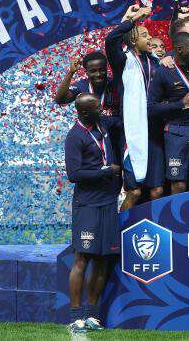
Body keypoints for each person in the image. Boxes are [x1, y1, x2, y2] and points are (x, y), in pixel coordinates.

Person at [64, 93, 122, 333]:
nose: (102, 109)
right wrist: (106, 172)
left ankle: (92, 315)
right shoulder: (74, 136)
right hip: (87, 204)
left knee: (102, 259)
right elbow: (74, 174)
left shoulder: (103, 125)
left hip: (108, 202)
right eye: (98, 107)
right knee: (82, 258)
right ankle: (75, 317)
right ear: (85, 112)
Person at [104, 5, 163, 207]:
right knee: (135, 191)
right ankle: (119, 227)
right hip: (132, 131)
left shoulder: (156, 62)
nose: (150, 39)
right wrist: (133, 19)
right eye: (145, 35)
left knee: (157, 191)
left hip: (154, 131)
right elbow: (111, 40)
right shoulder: (123, 61)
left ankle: (155, 227)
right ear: (133, 41)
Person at [148, 32, 189, 194]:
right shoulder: (163, 72)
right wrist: (181, 104)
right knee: (178, 185)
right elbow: (151, 108)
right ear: (179, 49)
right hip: (175, 133)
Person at [54, 51, 120, 117]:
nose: (98, 74)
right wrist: (71, 72)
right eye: (93, 71)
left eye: (102, 70)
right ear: (86, 72)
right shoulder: (81, 86)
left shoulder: (116, 84)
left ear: (106, 69)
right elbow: (59, 100)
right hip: (91, 123)